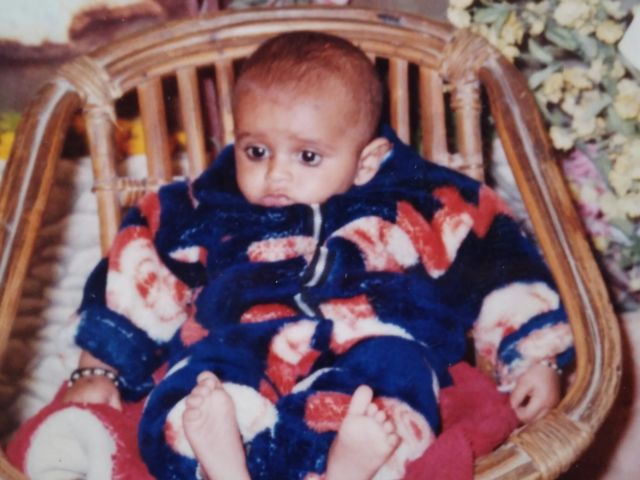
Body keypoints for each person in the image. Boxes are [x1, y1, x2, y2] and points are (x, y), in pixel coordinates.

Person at [61, 31, 573, 480]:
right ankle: (223, 462)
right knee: (193, 388)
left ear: (367, 160)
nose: (275, 175)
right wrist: (98, 368)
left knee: (396, 386)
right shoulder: (204, 204)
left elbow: (499, 264)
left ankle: (347, 465)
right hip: (243, 337)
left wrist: (536, 356)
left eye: (307, 156)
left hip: (372, 336)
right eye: (256, 151)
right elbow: (138, 269)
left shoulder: (425, 200)